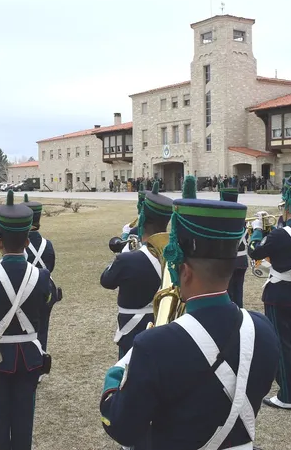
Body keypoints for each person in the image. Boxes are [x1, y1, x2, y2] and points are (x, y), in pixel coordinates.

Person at [99, 196, 280, 450]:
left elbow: (122, 428)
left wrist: (116, 374)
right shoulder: (264, 329)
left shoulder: (153, 346)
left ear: (184, 271)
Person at [0, 190, 51, 450]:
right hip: (30, 357)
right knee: (24, 425)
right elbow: (44, 307)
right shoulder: (43, 277)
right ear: (27, 240)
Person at [247, 172, 291, 410]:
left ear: (287, 203)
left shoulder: (280, 234)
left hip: (279, 294)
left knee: (281, 344)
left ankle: (287, 395)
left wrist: (257, 230)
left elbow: (255, 251)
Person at [101, 180, 174, 360]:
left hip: (131, 331)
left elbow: (106, 280)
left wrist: (123, 251)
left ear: (141, 220)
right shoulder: (176, 258)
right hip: (163, 329)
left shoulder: (127, 259)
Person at [22, 194, 62, 378]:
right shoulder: (48, 244)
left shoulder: (19, 244)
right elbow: (51, 266)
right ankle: (39, 366)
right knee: (42, 329)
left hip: (26, 289)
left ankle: (28, 365)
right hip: (46, 288)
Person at [220, 186, 249, 307]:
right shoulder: (241, 216)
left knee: (228, 294)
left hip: (229, 260)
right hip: (242, 260)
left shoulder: (222, 219)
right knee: (238, 292)